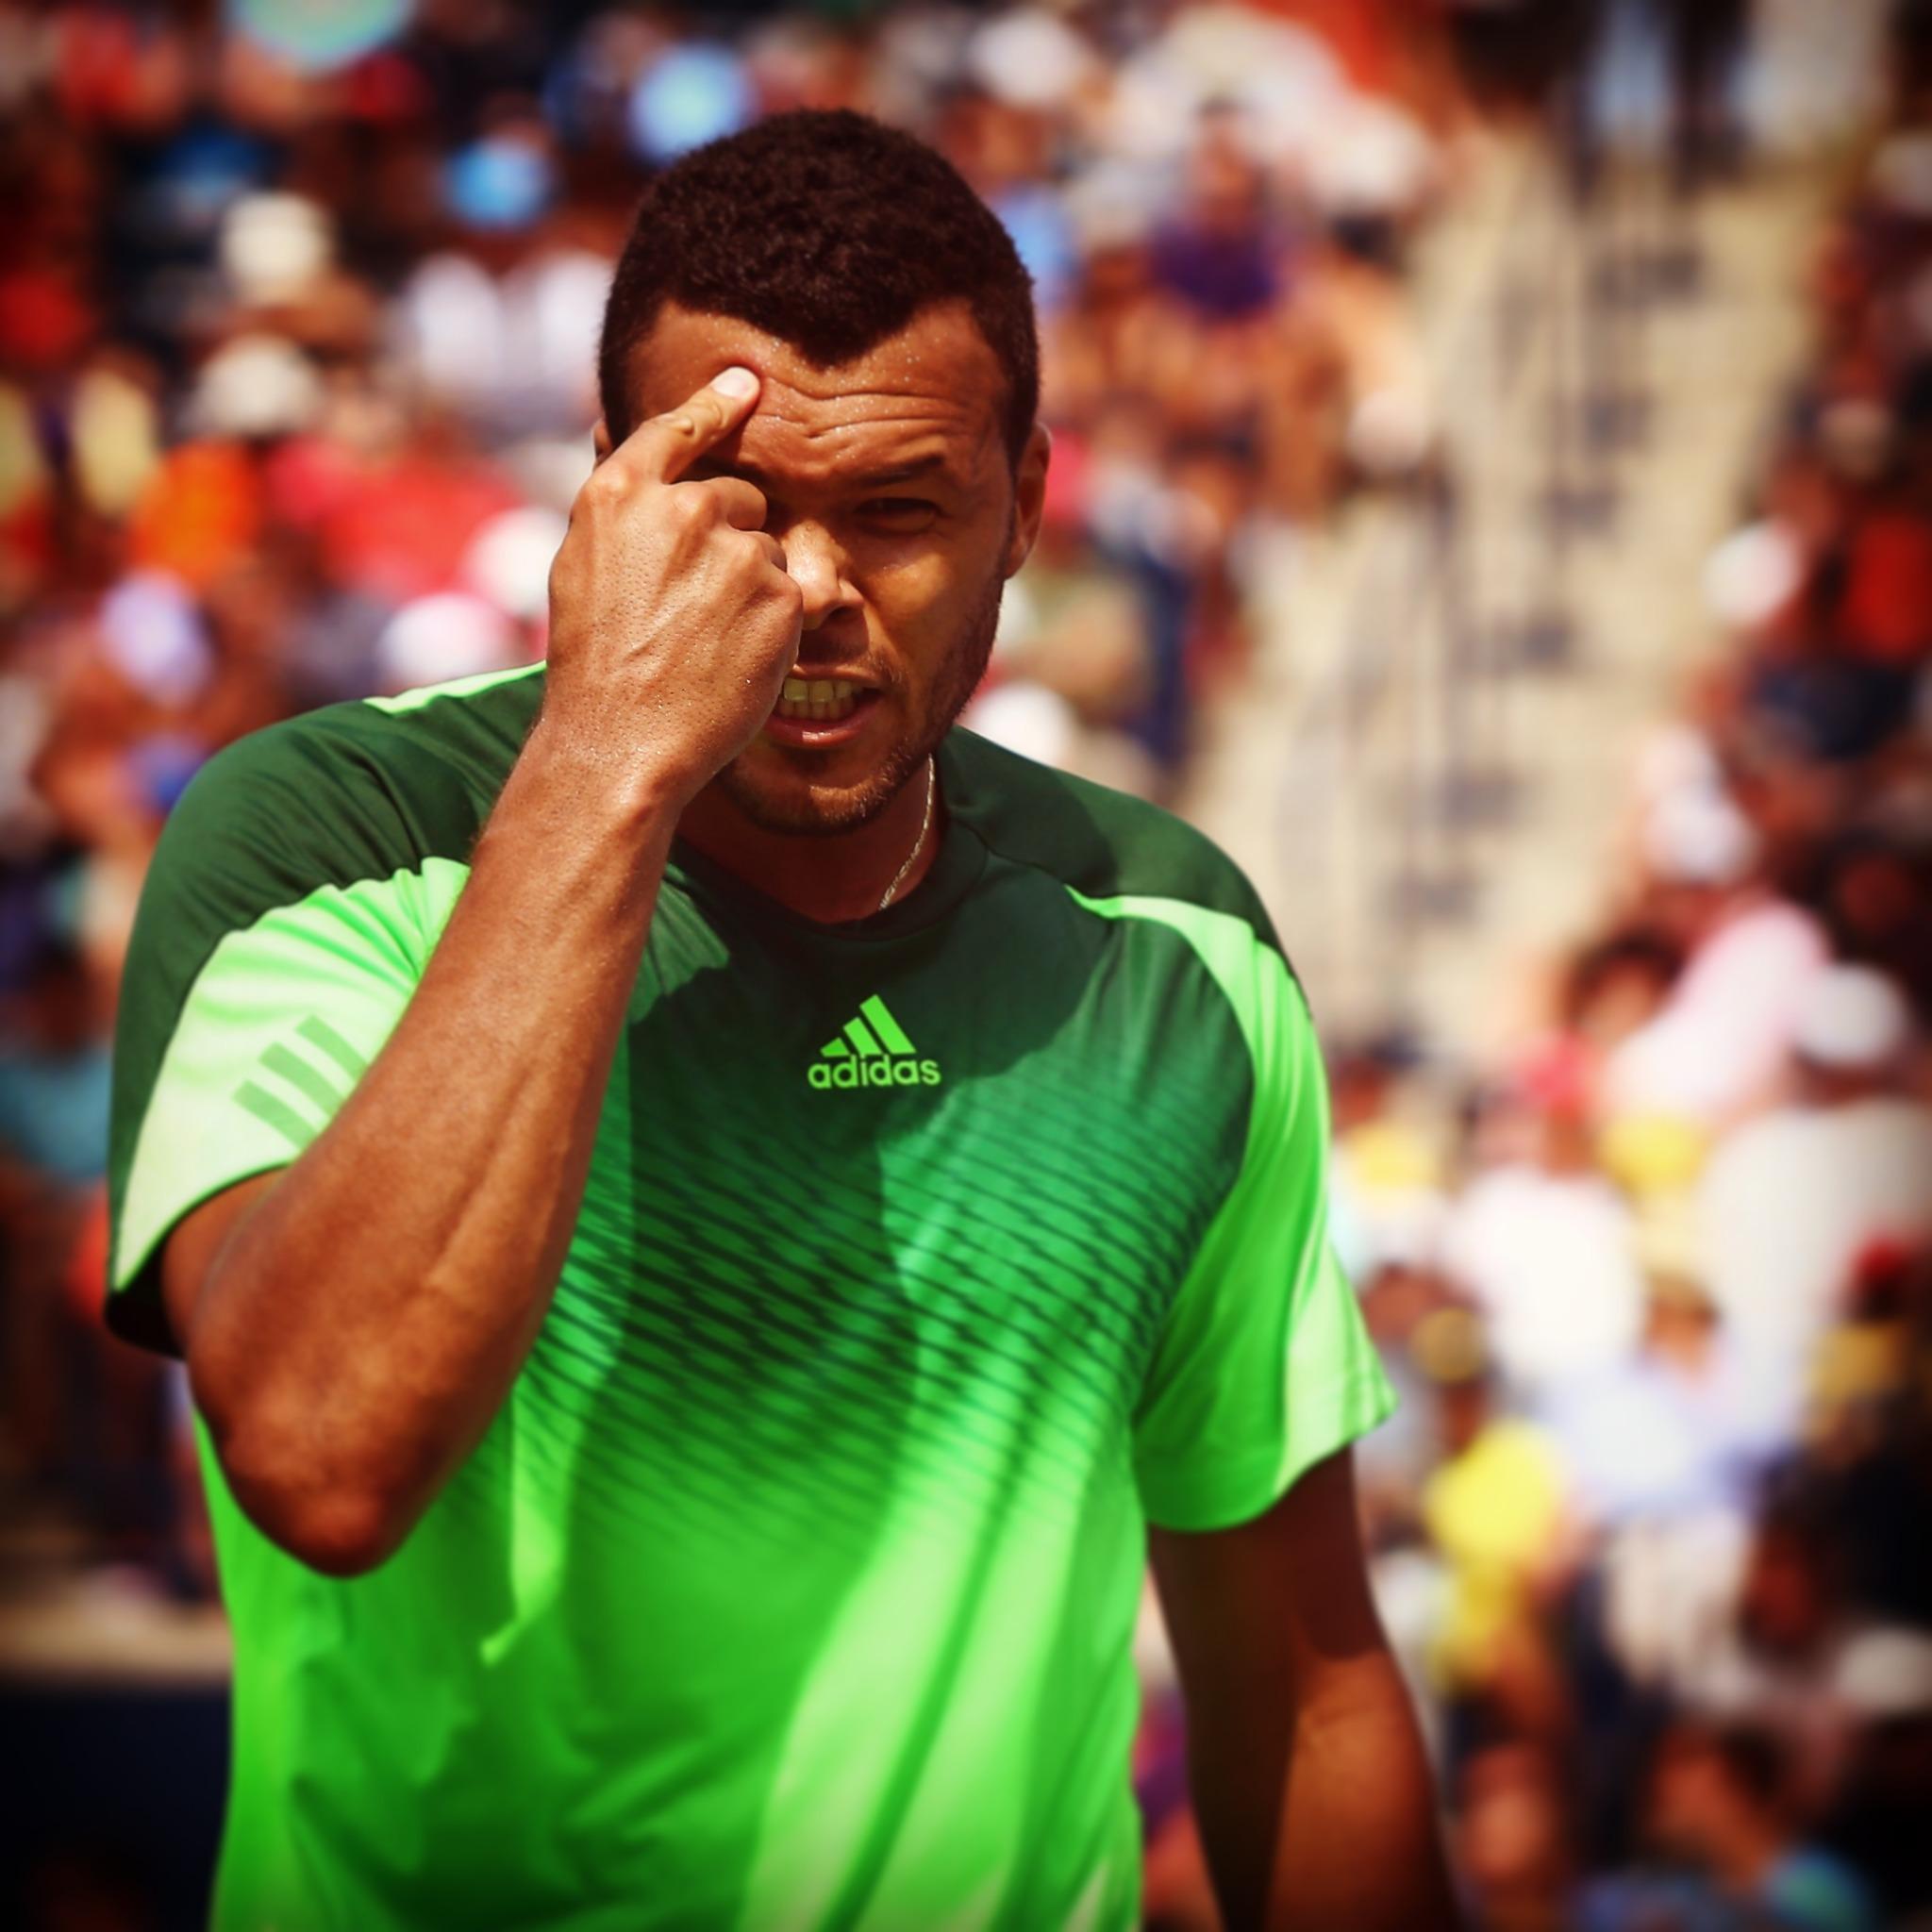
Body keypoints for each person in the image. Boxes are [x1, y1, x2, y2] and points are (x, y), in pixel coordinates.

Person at [102, 111, 1456, 1931]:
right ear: (609, 488)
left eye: (898, 510)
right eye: (736, 507)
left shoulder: (1170, 948)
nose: (810, 591)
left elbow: (1306, 1695)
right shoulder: (324, 841)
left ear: (1026, 504)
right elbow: (323, 1453)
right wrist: (608, 755)